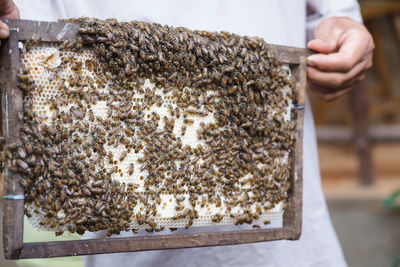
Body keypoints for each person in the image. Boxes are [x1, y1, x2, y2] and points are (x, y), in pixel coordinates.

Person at [0, 0, 374, 266]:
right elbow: (25, 41)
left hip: (294, 248)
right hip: (128, 241)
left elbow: (330, 16)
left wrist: (342, 32)